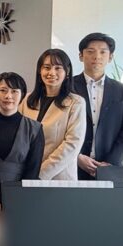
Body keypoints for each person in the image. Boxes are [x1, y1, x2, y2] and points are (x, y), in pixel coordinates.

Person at [0, 72, 44, 211]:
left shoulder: (35, 129)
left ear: (22, 95)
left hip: (19, 198)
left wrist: (12, 198)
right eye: (3, 90)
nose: (8, 96)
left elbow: (33, 170)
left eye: (14, 91)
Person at [72, 32, 123, 179]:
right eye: (90, 51)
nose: (97, 56)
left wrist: (111, 162)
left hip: (110, 168)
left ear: (110, 57)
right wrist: (77, 156)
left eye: (103, 52)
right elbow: (58, 129)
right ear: (81, 56)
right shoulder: (67, 87)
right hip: (72, 166)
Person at [21, 48, 86, 181]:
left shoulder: (76, 102)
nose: (51, 73)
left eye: (58, 68)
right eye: (47, 67)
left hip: (58, 177)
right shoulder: (26, 100)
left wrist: (40, 174)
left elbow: (72, 144)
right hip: (25, 175)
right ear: (39, 71)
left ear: (67, 72)